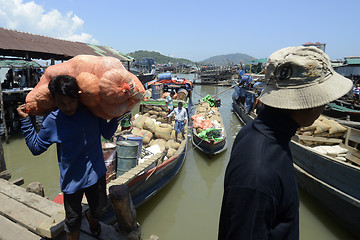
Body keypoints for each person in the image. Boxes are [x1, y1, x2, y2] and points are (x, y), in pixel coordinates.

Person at [218, 46, 353, 240]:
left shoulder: (260, 133)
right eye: (324, 99)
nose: (324, 106)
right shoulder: (259, 170)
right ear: (310, 102)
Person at [17, 75, 120, 240]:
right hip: (72, 179)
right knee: (72, 221)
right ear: (54, 101)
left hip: (97, 173)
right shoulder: (53, 121)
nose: (68, 107)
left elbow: (107, 133)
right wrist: (25, 121)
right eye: (61, 103)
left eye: (72, 101)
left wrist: (118, 114)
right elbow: (36, 148)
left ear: (78, 96)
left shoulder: (92, 111)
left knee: (99, 211)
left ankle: (91, 218)